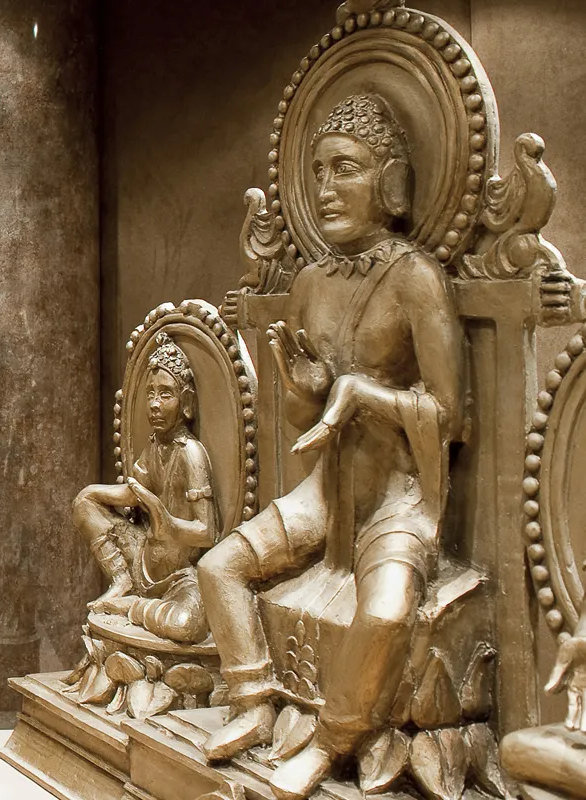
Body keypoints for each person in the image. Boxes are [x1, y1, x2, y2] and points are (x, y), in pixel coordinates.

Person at [195, 93, 464, 797]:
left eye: (345, 168)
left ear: (392, 181)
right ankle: (254, 701)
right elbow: (299, 421)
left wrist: (366, 393)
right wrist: (308, 388)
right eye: (317, 172)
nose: (325, 190)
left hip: (395, 498)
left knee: (384, 612)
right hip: (325, 489)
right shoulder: (311, 282)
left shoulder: (416, 280)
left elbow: (451, 414)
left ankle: (331, 738)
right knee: (219, 566)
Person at [71, 333, 217, 644]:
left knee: (186, 625)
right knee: (84, 502)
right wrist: (93, 496)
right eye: (150, 394)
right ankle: (123, 581)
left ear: (186, 401)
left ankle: (133, 608)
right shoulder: (154, 446)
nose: (154, 404)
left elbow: (206, 532)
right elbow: (132, 494)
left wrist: (165, 520)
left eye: (166, 394)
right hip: (142, 558)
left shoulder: (190, 454)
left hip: (179, 577)